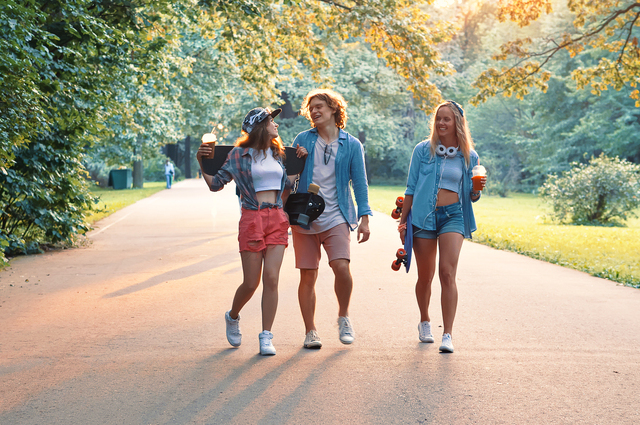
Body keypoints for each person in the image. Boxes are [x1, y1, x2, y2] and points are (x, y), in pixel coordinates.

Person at [196, 107, 292, 356]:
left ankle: (266, 336)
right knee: (251, 282)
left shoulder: (278, 152)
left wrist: (300, 158)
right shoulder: (239, 155)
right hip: (252, 218)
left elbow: (289, 182)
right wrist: (201, 162)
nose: (276, 125)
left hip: (277, 218)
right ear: (259, 126)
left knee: (272, 278)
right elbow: (216, 184)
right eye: (271, 120)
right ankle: (233, 315)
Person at [398, 100, 486, 353]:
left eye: (447, 118)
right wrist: (404, 221)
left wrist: (477, 191)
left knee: (447, 273)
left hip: (453, 216)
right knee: (424, 277)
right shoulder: (422, 150)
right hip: (423, 216)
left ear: (457, 122)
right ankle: (425, 321)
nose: (441, 123)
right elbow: (411, 188)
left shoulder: (470, 155)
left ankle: (447, 334)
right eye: (438, 118)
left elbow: (472, 195)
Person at [290, 88, 372, 349]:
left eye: (319, 106)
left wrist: (365, 217)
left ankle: (344, 316)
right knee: (308, 275)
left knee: (341, 267)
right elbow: (288, 177)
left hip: (337, 214)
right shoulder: (302, 139)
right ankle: (310, 331)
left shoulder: (351, 144)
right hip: (304, 217)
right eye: (311, 107)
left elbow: (360, 182)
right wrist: (296, 161)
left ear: (334, 109)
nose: (314, 111)